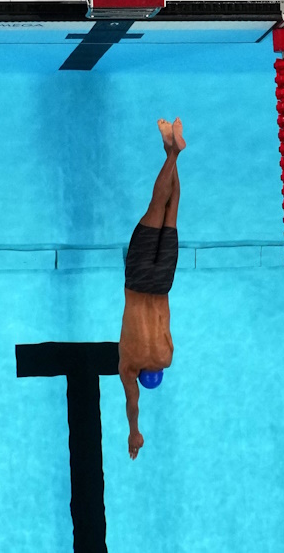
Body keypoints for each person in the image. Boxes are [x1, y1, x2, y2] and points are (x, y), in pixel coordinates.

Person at [118, 117, 183, 460]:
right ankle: (171, 154)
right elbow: (131, 403)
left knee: (171, 215)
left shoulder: (166, 357)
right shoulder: (129, 365)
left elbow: (170, 334)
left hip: (163, 284)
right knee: (154, 208)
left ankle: (174, 154)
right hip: (138, 281)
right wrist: (133, 433)